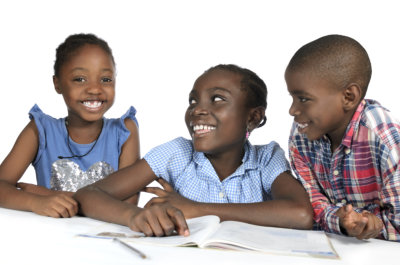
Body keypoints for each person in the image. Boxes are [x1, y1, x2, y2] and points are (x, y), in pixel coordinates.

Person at [74, 64, 313, 237]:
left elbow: (300, 214)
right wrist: (133, 216)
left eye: (217, 99)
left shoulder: (266, 159)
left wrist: (196, 209)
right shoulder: (177, 153)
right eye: (193, 101)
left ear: (253, 118)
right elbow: (88, 195)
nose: (197, 110)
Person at [0, 33, 140, 218]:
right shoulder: (40, 131)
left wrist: (45, 194)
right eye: (80, 79)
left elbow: (127, 205)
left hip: (104, 239)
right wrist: (35, 202)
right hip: (55, 238)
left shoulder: (124, 132)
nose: (95, 89)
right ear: (57, 84)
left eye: (106, 79)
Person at [286, 34, 400, 241]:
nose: (292, 110)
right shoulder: (300, 136)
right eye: (292, 98)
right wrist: (339, 221)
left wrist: (373, 226)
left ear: (349, 97)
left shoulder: (385, 137)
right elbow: (314, 205)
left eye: (303, 99)